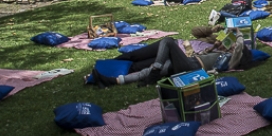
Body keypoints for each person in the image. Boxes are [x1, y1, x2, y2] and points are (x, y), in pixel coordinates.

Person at [90, 32, 255, 87]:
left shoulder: (231, 59)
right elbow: (233, 35)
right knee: (153, 70)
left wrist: (235, 43)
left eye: (234, 47)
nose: (231, 45)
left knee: (167, 41)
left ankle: (154, 71)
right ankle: (113, 81)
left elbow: (239, 39)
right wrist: (215, 44)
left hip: (192, 67)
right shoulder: (218, 49)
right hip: (187, 64)